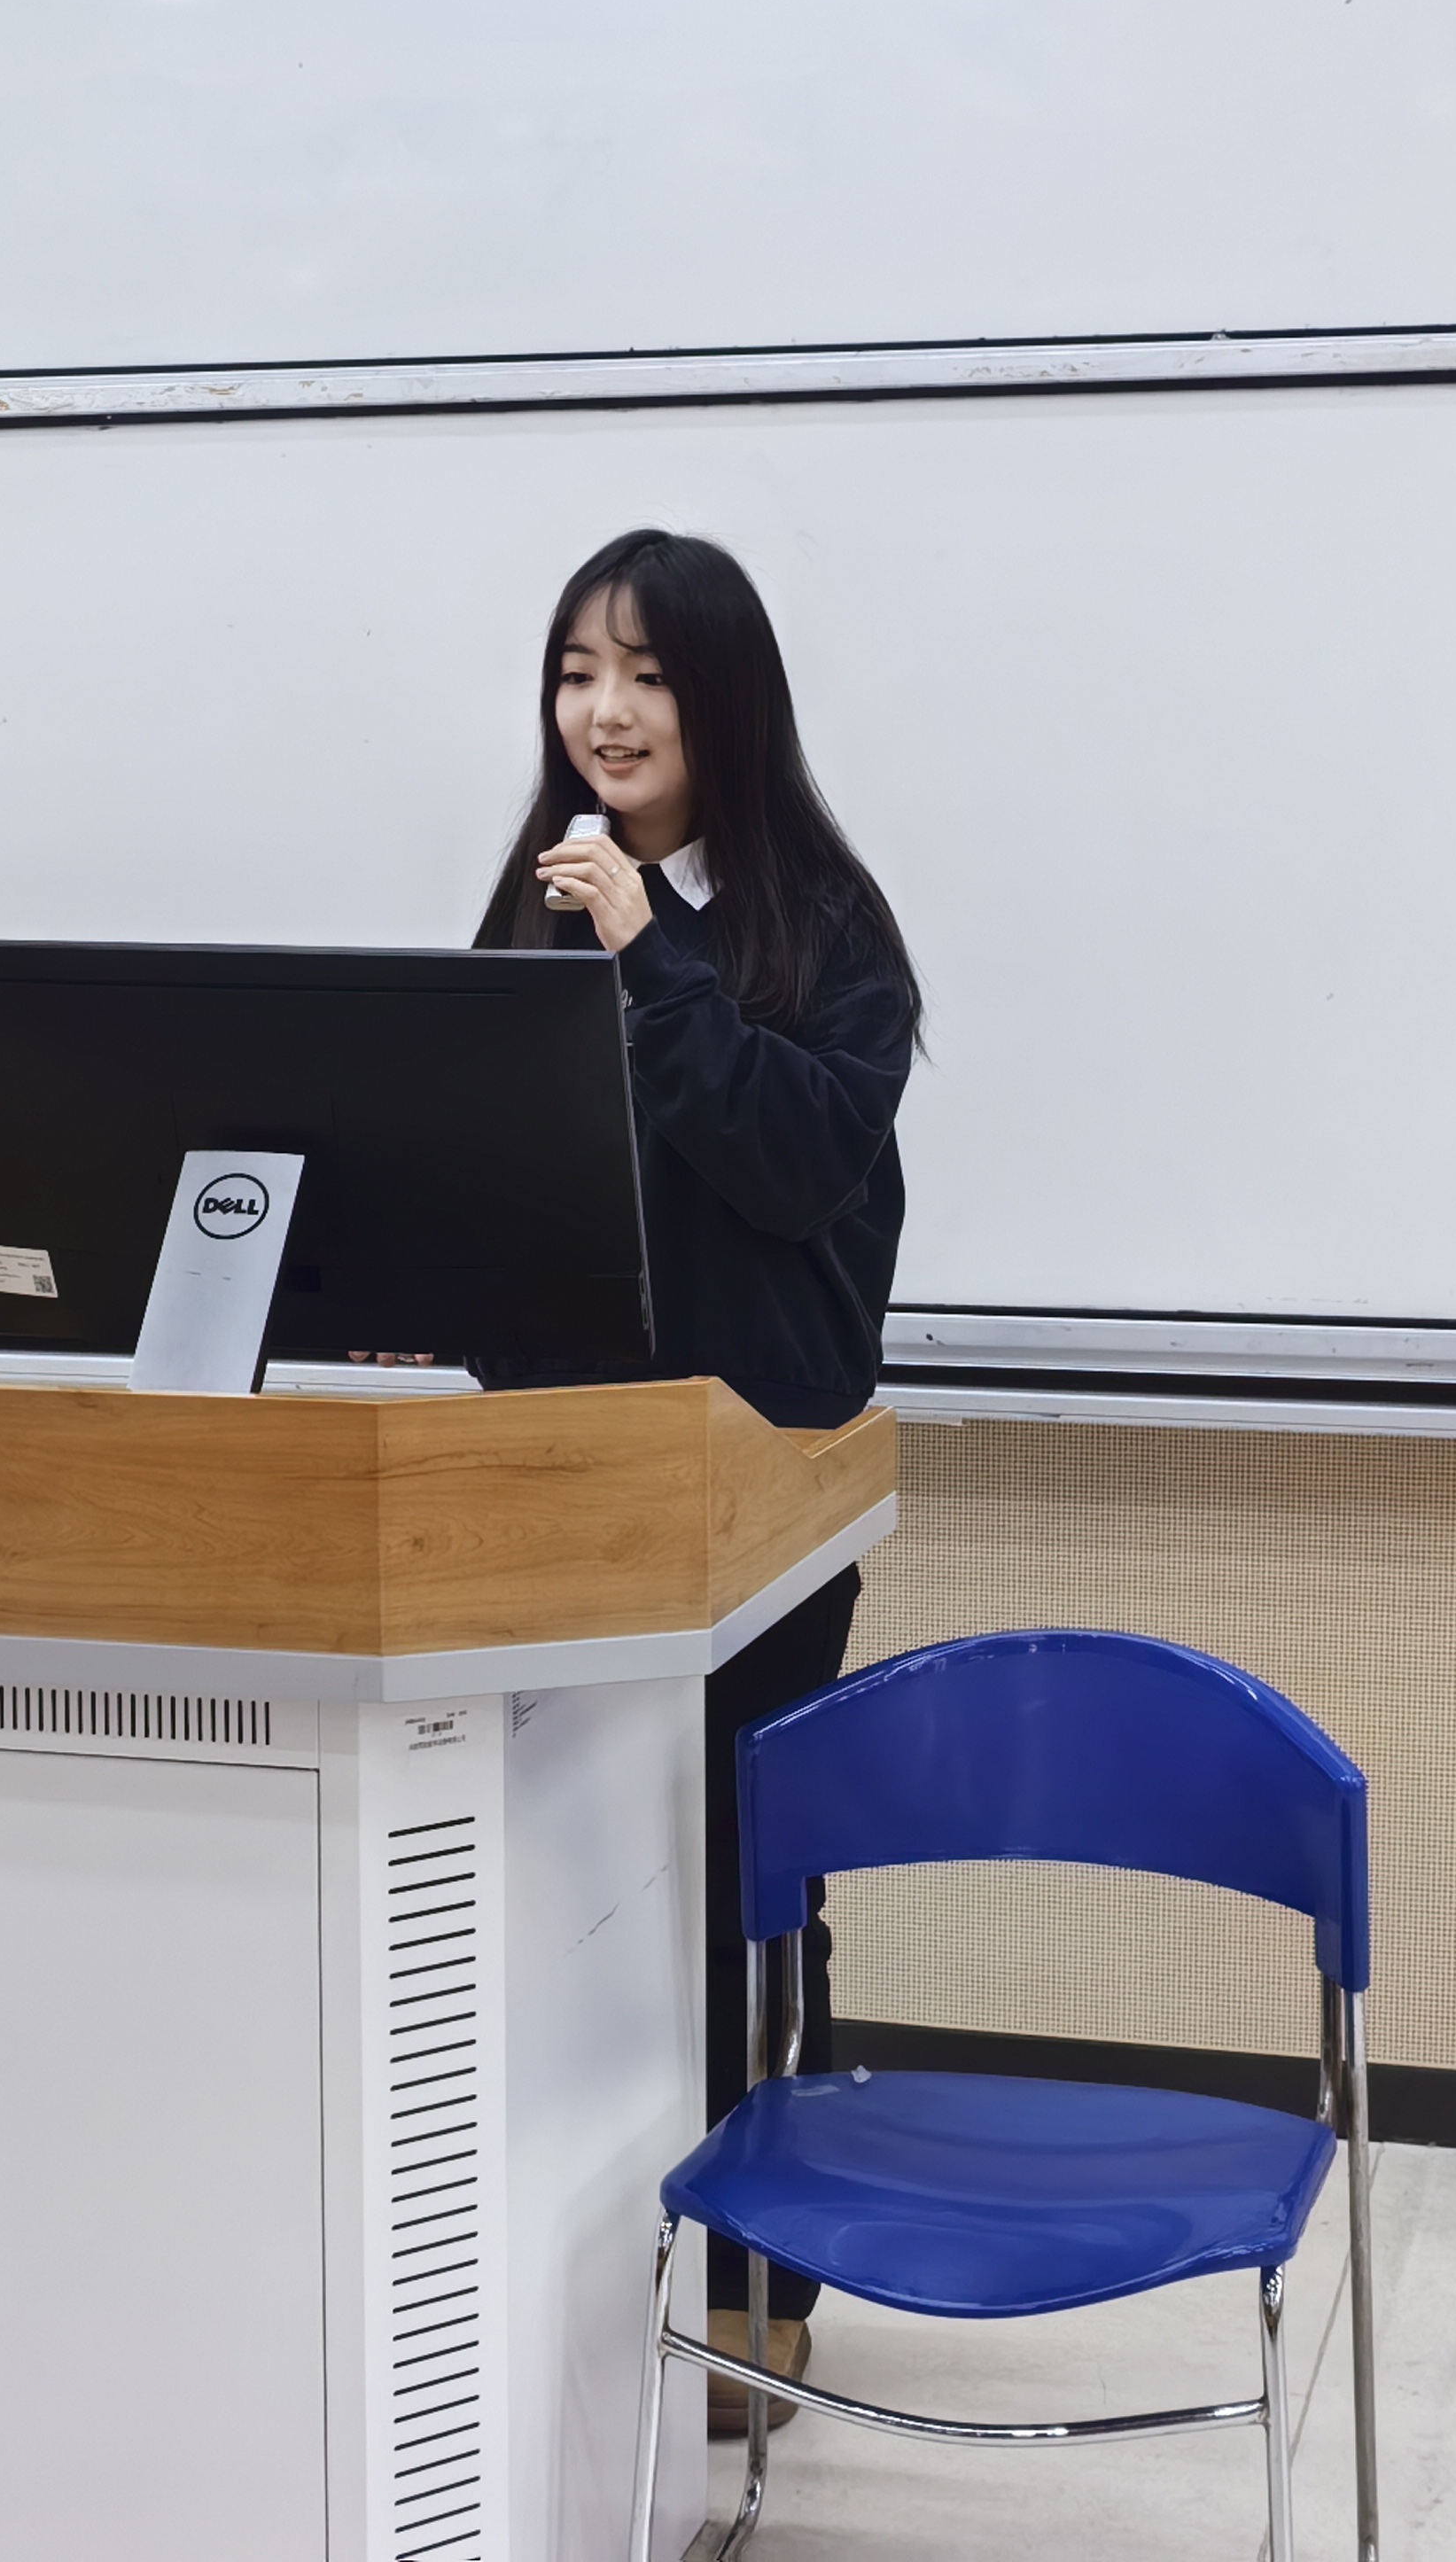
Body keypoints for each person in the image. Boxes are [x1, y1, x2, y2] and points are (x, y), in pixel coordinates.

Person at [471, 527, 919, 2429]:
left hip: (758, 1494)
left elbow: (790, 1167)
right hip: (560, 1485)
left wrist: (651, 953)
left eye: (646, 673)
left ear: (722, 699)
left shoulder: (821, 926)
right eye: (579, 670)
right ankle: (567, 2267)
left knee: (737, 1887)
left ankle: (756, 2284)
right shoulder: (535, 909)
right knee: (563, 1885)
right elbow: (484, 1163)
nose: (606, 709)